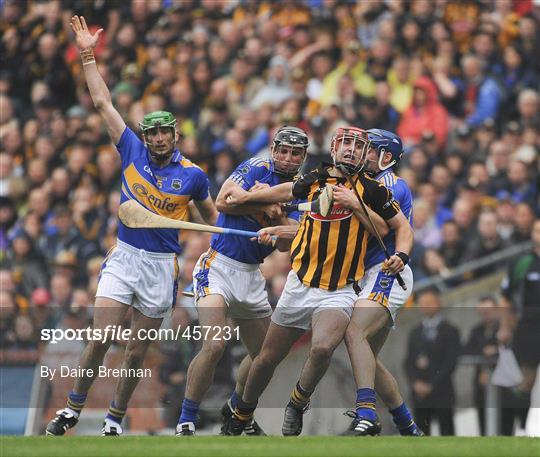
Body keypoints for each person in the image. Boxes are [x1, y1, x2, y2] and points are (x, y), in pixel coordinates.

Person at [46, 16, 217, 437]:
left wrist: (196, 227)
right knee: (101, 336)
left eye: (165, 133)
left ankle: (113, 421)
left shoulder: (193, 176)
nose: (159, 139)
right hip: (125, 256)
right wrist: (87, 55)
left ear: (176, 136)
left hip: (161, 264)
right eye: (153, 133)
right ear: (146, 136)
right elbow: (103, 102)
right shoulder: (130, 149)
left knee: (136, 351)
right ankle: (72, 409)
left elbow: (210, 220)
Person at [222, 126, 413, 436]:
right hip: (300, 284)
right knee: (267, 358)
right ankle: (242, 411)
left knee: (323, 348)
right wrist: (250, 197)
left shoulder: (373, 190)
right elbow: (285, 192)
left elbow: (392, 227)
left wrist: (356, 206)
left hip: (338, 290)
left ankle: (297, 401)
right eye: (345, 144)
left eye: (358, 146)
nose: (351, 150)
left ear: (367, 154)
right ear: (334, 149)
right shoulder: (314, 178)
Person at [176, 126, 309, 436]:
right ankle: (186, 419)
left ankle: (237, 409)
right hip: (218, 266)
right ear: (274, 150)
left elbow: (285, 245)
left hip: (251, 275)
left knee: (266, 356)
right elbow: (223, 202)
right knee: (215, 343)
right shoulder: (256, 167)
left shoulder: (300, 190)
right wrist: (265, 206)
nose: (288, 158)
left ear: (302, 157)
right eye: (284, 151)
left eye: (295, 153)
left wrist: (276, 220)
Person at [341, 129, 420, 436]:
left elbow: (384, 226)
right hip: (367, 275)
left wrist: (352, 202)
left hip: (387, 271)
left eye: (368, 149)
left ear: (386, 157)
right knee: (368, 358)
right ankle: (407, 426)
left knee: (353, 332)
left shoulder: (391, 185)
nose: (360, 153)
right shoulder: (360, 183)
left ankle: (365, 413)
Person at [497, 218, 540, 435]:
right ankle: (522, 427)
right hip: (528, 328)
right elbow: (505, 298)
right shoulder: (521, 262)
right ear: (532, 234)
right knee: (526, 379)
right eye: (537, 230)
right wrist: (505, 326)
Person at [404, 288, 461, 435]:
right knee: (421, 434)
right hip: (419, 396)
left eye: (429, 302)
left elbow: (450, 362)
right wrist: (415, 383)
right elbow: (408, 362)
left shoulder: (450, 331)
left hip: (442, 393)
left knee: (447, 434)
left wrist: (431, 385)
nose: (426, 306)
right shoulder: (415, 332)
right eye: (422, 303)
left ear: (438, 303)